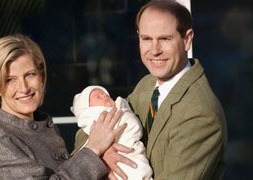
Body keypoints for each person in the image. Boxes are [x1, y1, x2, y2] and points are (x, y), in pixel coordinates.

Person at [73, 0, 228, 179]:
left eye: (165, 39)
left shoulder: (200, 113)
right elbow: (88, 126)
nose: (154, 50)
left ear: (187, 40)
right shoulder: (147, 85)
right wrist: (103, 154)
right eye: (146, 39)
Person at [0, 34, 128, 180]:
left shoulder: (42, 126)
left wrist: (100, 159)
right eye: (10, 80)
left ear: (41, 76)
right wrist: (93, 149)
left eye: (29, 74)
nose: (24, 88)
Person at [71, 85, 153, 180]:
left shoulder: (123, 108)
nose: (104, 96)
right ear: (87, 109)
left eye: (105, 94)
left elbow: (133, 127)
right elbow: (82, 156)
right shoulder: (89, 124)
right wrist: (100, 155)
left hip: (132, 155)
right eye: (98, 96)